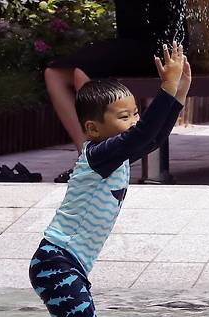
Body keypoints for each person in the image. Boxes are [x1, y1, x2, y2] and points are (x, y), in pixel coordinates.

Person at [29, 41, 191, 317]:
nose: (133, 121)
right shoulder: (98, 155)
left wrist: (177, 95)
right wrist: (166, 88)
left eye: (134, 113)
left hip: (64, 264)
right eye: (124, 117)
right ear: (92, 129)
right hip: (56, 262)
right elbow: (145, 134)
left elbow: (151, 139)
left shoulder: (111, 155)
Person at [44, 0, 187, 182]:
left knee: (84, 73)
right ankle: (88, 161)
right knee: (55, 74)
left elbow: (152, 137)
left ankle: (104, 160)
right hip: (128, 42)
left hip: (162, 43)